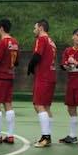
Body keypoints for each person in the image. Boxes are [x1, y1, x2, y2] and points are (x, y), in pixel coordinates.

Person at [26, 19, 57, 148]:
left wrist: (30, 66)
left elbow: (37, 55)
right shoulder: (51, 41)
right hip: (51, 76)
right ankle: (47, 135)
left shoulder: (42, 39)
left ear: (40, 28)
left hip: (43, 77)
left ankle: (45, 137)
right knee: (46, 107)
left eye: (35, 28)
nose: (34, 30)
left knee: (39, 105)